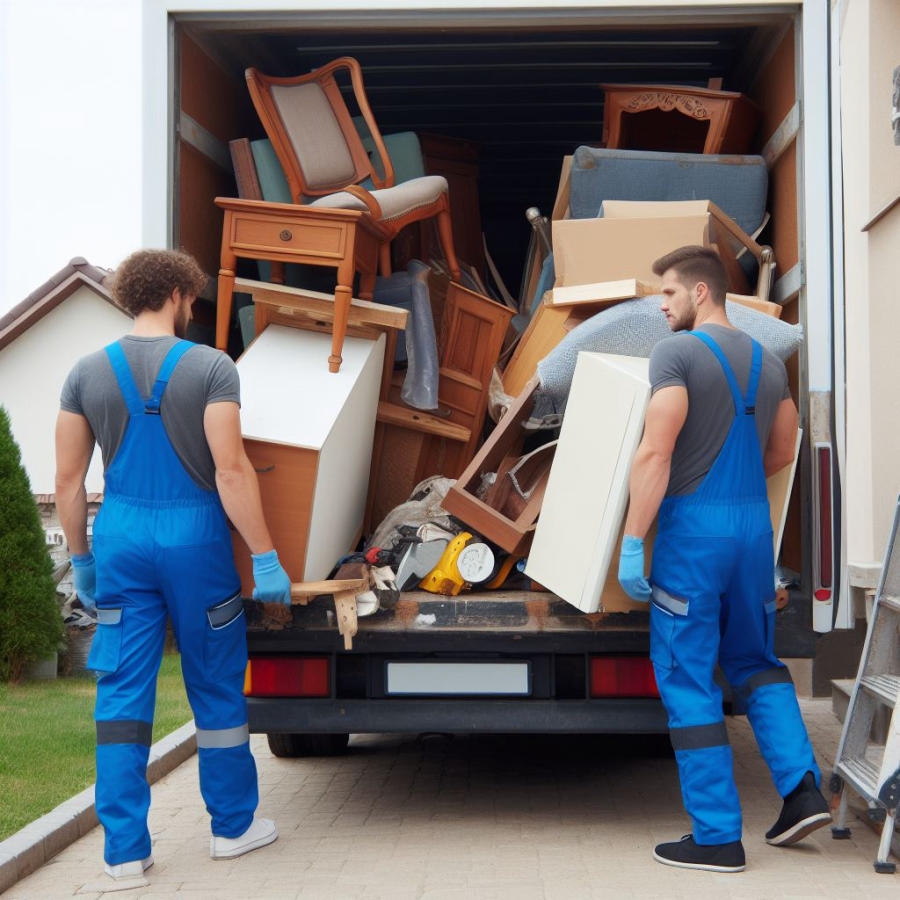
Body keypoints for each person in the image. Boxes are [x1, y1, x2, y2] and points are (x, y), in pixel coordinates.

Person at [54, 249, 292, 889]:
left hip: (123, 538)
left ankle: (125, 854)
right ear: (183, 296)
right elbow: (231, 470)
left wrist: (81, 560)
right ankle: (232, 828)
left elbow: (70, 482)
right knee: (214, 681)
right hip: (196, 541)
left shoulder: (85, 372)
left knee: (122, 694)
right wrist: (265, 556)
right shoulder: (212, 368)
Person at [617, 246, 831, 873]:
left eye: (668, 294)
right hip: (751, 533)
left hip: (695, 534)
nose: (660, 306)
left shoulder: (676, 355)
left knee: (687, 675)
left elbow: (656, 454)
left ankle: (715, 837)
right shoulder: (770, 364)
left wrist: (635, 540)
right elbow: (782, 450)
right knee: (756, 661)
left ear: (701, 293)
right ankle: (802, 792)